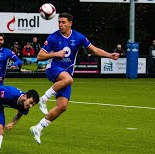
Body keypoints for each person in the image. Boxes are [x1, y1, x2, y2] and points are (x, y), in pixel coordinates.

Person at [30, 13, 119, 144]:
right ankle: (43, 99)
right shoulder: (53, 37)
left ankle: (38, 127)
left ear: (70, 23)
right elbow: (39, 56)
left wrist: (109, 55)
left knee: (62, 106)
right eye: (59, 22)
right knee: (69, 79)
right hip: (53, 68)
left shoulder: (78, 37)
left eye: (63, 22)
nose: (60, 24)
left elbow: (94, 50)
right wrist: (55, 54)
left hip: (66, 73)